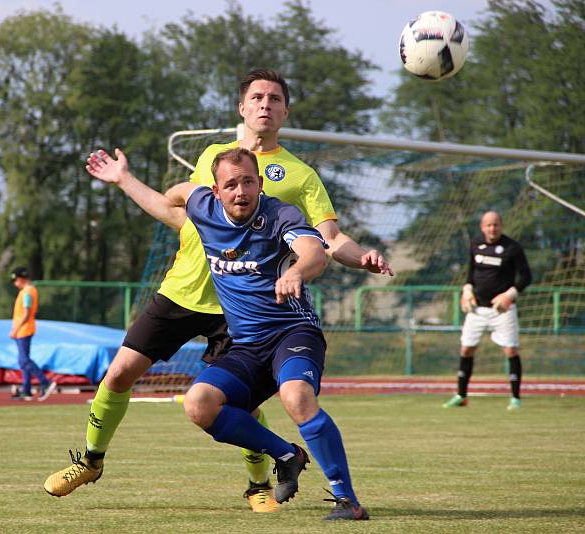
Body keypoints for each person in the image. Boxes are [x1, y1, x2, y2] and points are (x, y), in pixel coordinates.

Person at [44, 68, 391, 512]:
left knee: (257, 401)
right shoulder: (215, 158)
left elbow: (326, 240)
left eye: (275, 99)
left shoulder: (299, 178)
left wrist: (358, 257)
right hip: (186, 288)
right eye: (257, 97)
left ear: (286, 111)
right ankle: (91, 460)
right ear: (242, 107)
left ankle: (261, 483)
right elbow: (182, 210)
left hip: (250, 311)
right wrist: (126, 180)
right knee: (121, 374)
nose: (266, 105)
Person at [81, 146, 369, 520]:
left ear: (260, 184)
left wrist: (297, 271)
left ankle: (348, 500)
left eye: (248, 182)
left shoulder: (281, 213)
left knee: (296, 397)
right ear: (215, 191)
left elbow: (313, 250)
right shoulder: (202, 207)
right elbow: (173, 199)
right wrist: (123, 178)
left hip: (292, 333)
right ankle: (286, 454)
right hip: (248, 346)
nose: (241, 191)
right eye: (231, 184)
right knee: (198, 404)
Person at [443, 211, 532, 410]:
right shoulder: (475, 244)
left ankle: (515, 398)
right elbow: (470, 274)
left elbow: (526, 277)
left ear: (501, 226)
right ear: (482, 227)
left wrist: (509, 295)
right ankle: (461, 395)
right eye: (489, 225)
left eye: (496, 225)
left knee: (510, 350)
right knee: (466, 349)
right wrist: (466, 290)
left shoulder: (512, 248)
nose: (492, 229)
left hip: (502, 310)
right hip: (477, 309)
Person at [10, 267, 55, 402]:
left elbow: (26, 313)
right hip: (24, 330)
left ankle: (45, 383)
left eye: (15, 280)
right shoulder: (27, 291)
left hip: (24, 330)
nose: (14, 283)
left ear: (20, 278)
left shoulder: (28, 292)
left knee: (24, 360)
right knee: (23, 361)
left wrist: (15, 329)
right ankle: (26, 389)